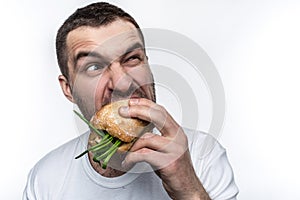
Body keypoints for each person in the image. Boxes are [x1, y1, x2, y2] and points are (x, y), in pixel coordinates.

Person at [23, 2, 238, 200]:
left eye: (132, 58)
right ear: (68, 88)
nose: (123, 83)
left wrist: (189, 190)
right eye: (94, 67)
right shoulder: (45, 181)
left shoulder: (204, 157)